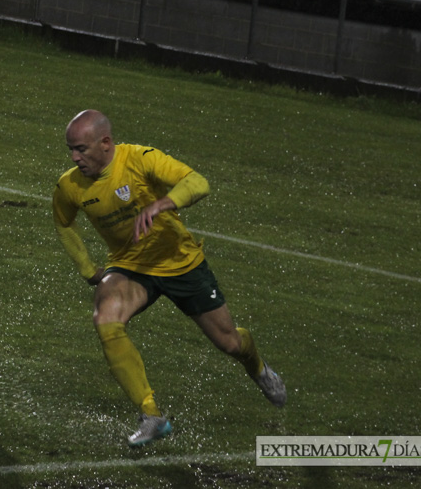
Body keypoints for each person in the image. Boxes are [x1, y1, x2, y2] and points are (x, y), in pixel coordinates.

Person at [52, 109, 286, 447]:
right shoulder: (70, 185)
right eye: (70, 150)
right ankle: (151, 416)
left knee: (230, 343)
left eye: (81, 149)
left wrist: (163, 204)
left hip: (180, 263)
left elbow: (198, 182)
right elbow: (63, 222)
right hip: (130, 266)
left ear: (105, 143)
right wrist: (89, 269)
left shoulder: (140, 159)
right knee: (105, 318)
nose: (75, 157)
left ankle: (259, 368)